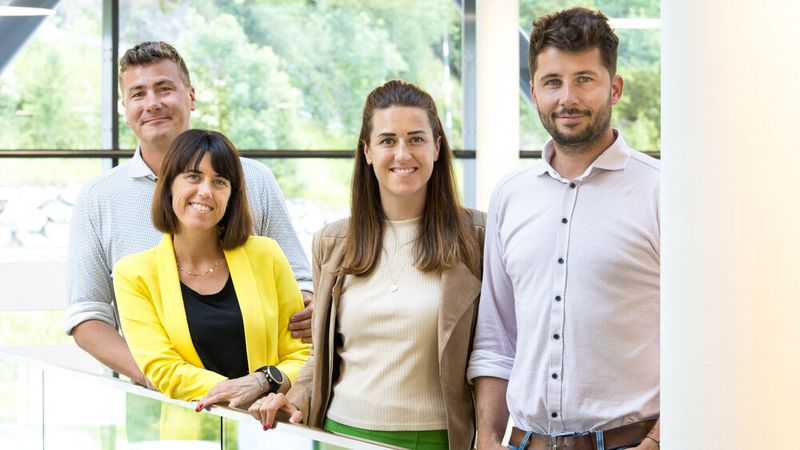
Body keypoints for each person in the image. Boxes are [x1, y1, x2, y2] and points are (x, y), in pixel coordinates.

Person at [248, 80, 485, 450]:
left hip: (438, 439)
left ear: (437, 148)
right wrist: (292, 396)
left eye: (417, 139)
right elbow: (321, 356)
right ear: (368, 151)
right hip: (340, 435)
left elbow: (494, 353)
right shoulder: (333, 243)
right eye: (388, 140)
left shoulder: (478, 238)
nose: (402, 154)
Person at [64, 41, 314, 390]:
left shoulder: (254, 180)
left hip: (266, 404)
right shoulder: (99, 198)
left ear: (191, 96)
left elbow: (302, 287)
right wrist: (161, 376)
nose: (152, 103)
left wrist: (267, 380)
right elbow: (87, 315)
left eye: (165, 89)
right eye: (138, 94)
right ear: (125, 108)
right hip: (157, 404)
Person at [467, 7, 660, 450]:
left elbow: (699, 340)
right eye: (552, 82)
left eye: (584, 79)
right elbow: (497, 337)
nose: (567, 97)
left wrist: (656, 442)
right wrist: (488, 437)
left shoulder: (661, 192)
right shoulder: (509, 197)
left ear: (615, 87)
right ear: (534, 91)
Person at [113, 129, 310, 407]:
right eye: (193, 177)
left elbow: (302, 355)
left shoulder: (267, 255)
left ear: (231, 196)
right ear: (169, 185)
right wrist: (240, 392)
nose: (205, 191)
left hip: (269, 428)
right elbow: (162, 369)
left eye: (219, 181)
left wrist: (262, 381)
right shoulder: (133, 274)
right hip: (187, 433)